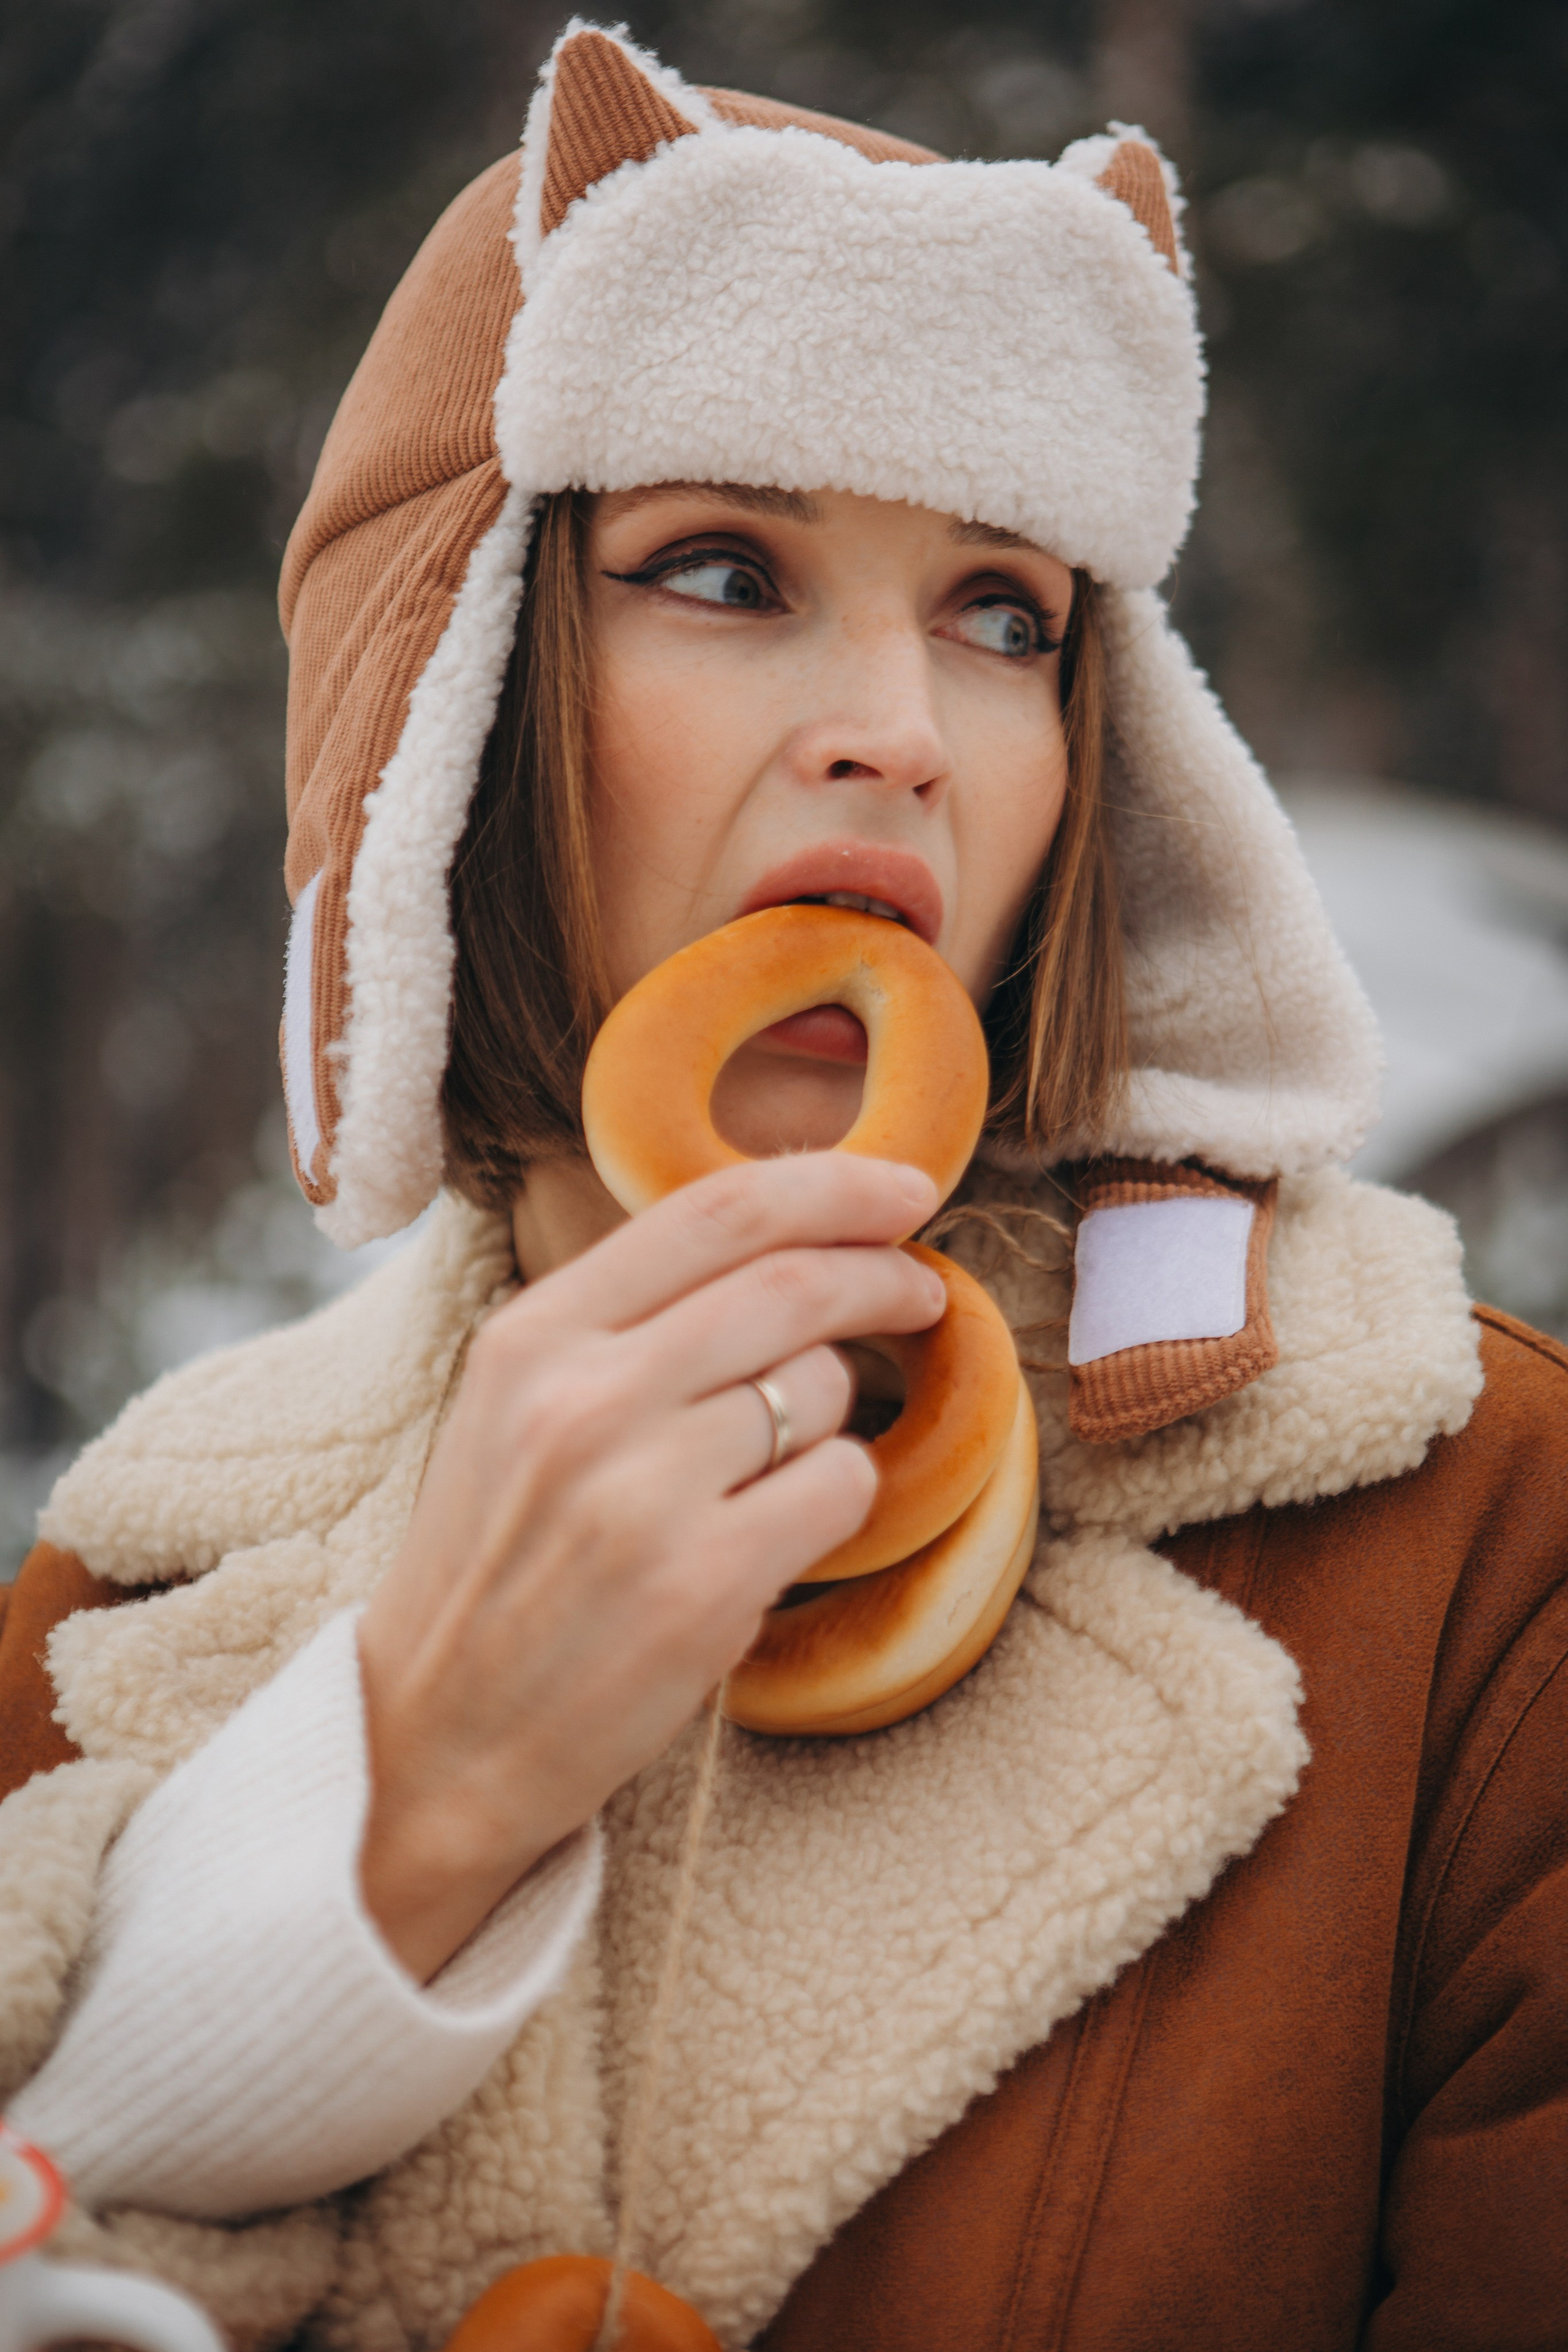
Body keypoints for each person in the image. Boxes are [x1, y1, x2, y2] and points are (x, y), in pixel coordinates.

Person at [1, 23, 1564, 2351]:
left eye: (1006, 615)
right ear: (455, 697)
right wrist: (395, 1801)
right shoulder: (119, 1588)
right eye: (725, 571)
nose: (906, 738)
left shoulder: (1474, 1540)